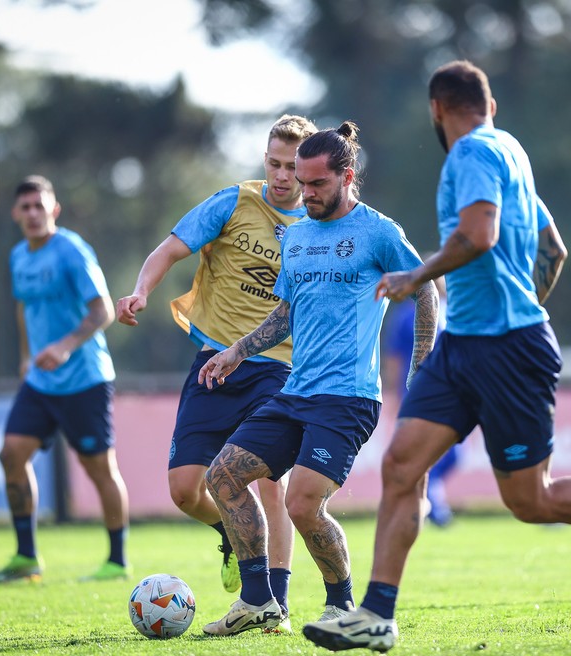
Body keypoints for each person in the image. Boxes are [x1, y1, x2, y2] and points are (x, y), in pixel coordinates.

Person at [302, 60, 571, 653]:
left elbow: (479, 234)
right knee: (400, 467)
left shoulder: (469, 155)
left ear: (437, 111)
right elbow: (554, 247)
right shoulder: (510, 150)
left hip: (507, 349)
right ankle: (377, 614)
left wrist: (419, 274)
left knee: (530, 499)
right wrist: (520, 304)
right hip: (466, 343)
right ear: (488, 105)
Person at [197, 121, 439, 637]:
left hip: (348, 398)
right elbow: (284, 314)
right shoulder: (298, 235)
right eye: (300, 183)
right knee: (222, 476)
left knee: (301, 501)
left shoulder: (379, 231)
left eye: (316, 184)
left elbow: (426, 288)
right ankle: (259, 599)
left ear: (347, 176)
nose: (304, 193)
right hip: (296, 391)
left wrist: (422, 366)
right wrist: (237, 350)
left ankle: (341, 603)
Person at [116, 115, 318, 632]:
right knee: (185, 490)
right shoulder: (232, 202)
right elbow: (168, 250)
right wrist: (142, 290)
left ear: (308, 168)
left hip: (278, 367)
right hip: (212, 364)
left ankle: (275, 604)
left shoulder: (320, 227)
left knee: (271, 484)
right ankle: (232, 532)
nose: (280, 175)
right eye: (272, 163)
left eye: (291, 167)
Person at [0, 175, 130, 584]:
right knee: (11, 454)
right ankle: (26, 556)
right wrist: (26, 356)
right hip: (40, 382)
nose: (32, 213)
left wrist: (65, 346)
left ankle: (117, 560)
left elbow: (103, 311)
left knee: (99, 468)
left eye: (38, 206)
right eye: (24, 207)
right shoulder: (18, 257)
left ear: (54, 210)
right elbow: (23, 308)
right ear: (15, 214)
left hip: (84, 378)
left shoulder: (71, 251)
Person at [382, 275, 458, 527]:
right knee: (423, 449)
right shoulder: (407, 315)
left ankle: (429, 496)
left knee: (453, 453)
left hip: (448, 390)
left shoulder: (451, 311)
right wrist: (394, 391)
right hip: (416, 390)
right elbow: (394, 357)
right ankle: (428, 504)